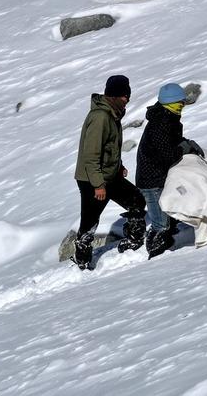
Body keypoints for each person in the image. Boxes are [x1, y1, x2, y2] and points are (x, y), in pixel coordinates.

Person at [73, 75, 146, 269]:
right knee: (89, 223)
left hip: (108, 176)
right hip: (92, 179)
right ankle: (82, 261)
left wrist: (118, 165)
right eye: (123, 95)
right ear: (113, 95)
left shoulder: (112, 114)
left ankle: (133, 242)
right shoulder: (100, 117)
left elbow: (110, 147)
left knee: (137, 200)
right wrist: (98, 185)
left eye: (127, 95)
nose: (127, 99)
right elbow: (91, 155)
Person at [136, 83, 204, 259]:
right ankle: (154, 255)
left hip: (161, 177)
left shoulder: (168, 119)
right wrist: (184, 147)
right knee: (161, 224)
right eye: (180, 103)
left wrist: (185, 143)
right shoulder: (161, 123)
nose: (183, 106)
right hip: (151, 181)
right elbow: (168, 154)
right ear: (172, 103)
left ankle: (168, 247)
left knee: (170, 218)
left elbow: (173, 143)